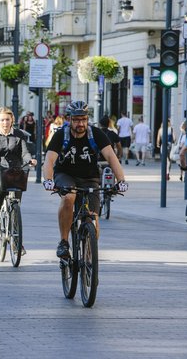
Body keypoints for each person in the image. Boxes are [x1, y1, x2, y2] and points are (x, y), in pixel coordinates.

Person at [42, 100, 128, 259]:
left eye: (83, 119)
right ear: (69, 119)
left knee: (93, 216)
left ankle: (90, 252)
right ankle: (64, 242)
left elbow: (111, 157)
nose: (80, 123)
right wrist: (48, 180)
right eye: (76, 119)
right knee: (69, 196)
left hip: (90, 177)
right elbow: (49, 160)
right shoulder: (62, 134)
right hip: (65, 174)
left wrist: (121, 180)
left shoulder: (96, 134)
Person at [0, 107, 36, 226]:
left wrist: (30, 160)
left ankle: (16, 240)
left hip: (15, 171)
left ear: (12, 120)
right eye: (2, 120)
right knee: (2, 185)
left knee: (17, 199)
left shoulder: (19, 134)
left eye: (7, 119)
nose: (5, 122)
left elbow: (24, 153)